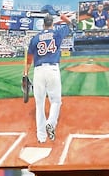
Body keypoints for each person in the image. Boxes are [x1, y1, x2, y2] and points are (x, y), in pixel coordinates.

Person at [24, 11, 74, 143]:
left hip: (38, 71)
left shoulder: (35, 39)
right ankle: (51, 123)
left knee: (39, 105)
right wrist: (63, 18)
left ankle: (41, 137)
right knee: (56, 101)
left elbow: (29, 59)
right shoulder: (57, 34)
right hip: (52, 69)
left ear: (43, 25)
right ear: (52, 24)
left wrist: (25, 73)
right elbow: (71, 25)